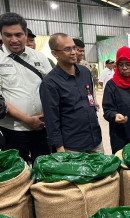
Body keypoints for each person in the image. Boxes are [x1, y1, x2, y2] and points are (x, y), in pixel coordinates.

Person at [0, 12, 52, 163]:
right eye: (8, 35)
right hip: (13, 130)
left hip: (42, 127)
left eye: (18, 34)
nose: (14, 40)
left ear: (26, 34)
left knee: (43, 167)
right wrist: (27, 120)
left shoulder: (39, 57)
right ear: (1, 35)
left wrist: (44, 115)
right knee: (17, 171)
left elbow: (52, 88)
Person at [40, 33, 103, 153]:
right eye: (67, 49)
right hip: (72, 147)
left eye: (74, 48)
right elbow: (51, 119)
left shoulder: (85, 72)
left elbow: (89, 97)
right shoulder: (50, 83)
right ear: (55, 54)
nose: (74, 52)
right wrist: (59, 147)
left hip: (95, 140)